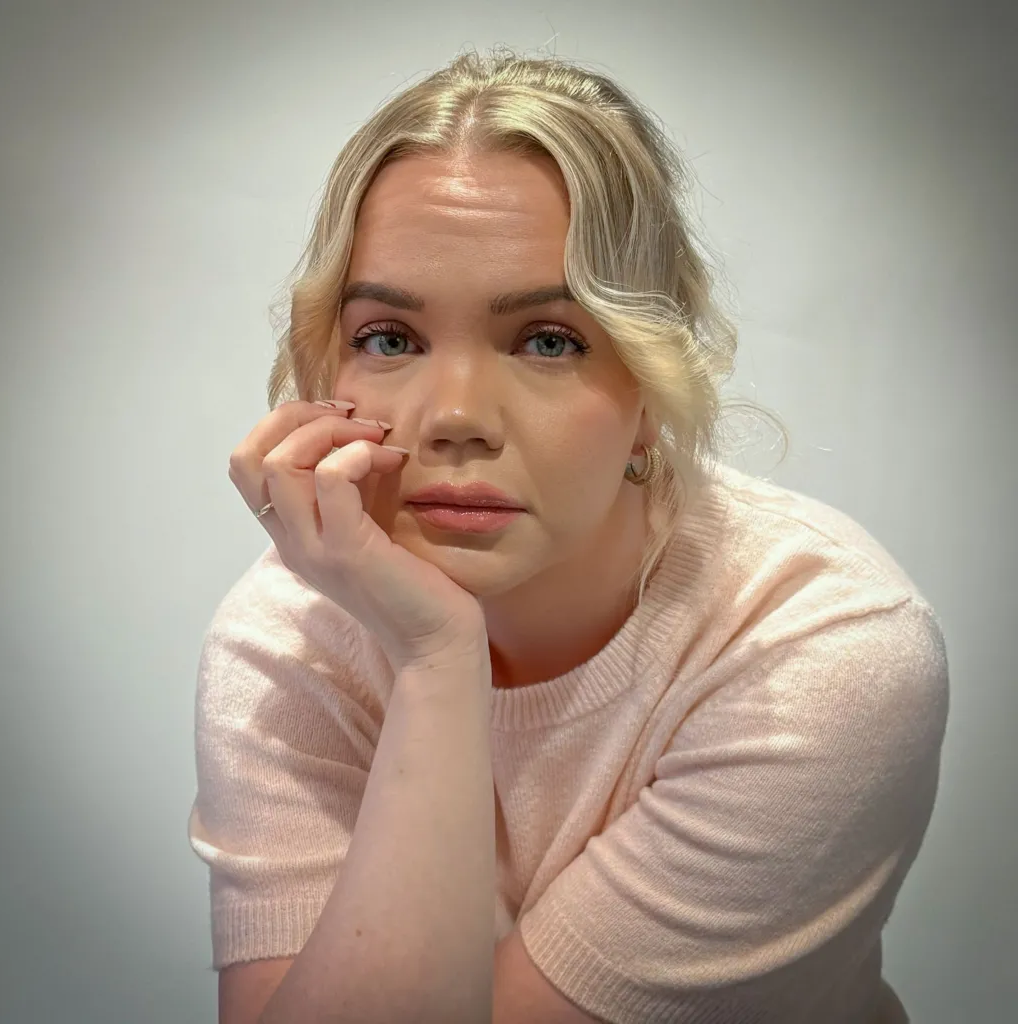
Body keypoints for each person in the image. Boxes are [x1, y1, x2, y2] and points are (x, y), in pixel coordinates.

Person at [188, 47, 948, 1024]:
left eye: (549, 340)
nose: (455, 415)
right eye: (390, 337)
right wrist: (436, 657)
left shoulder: (817, 652)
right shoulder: (289, 633)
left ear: (650, 387)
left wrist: (428, 660)